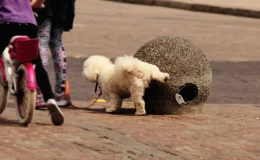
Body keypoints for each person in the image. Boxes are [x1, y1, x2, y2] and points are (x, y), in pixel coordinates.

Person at [0, 0, 64, 126]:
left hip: (6, 22)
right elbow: (39, 2)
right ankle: (50, 100)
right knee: (36, 63)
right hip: (29, 24)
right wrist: (34, 5)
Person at [33, 0, 75, 108]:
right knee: (57, 43)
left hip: (44, 5)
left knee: (42, 42)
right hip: (62, 6)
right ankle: (61, 94)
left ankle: (40, 94)